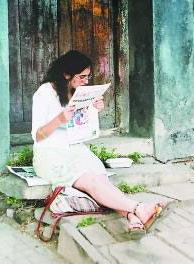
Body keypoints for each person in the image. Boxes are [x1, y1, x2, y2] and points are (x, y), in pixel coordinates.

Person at [31, 49, 166, 233]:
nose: (86, 81)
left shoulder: (76, 91)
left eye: (88, 76)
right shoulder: (44, 93)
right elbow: (38, 136)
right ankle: (138, 209)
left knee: (102, 182)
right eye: (82, 77)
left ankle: (132, 216)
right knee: (91, 182)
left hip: (75, 148)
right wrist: (60, 119)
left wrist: (93, 109)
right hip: (51, 154)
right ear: (66, 74)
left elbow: (81, 125)